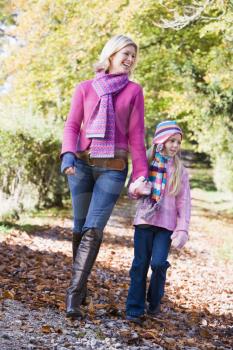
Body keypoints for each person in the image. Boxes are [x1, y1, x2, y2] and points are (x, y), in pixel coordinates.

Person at [61, 35, 149, 318]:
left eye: (134, 56)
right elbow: (73, 126)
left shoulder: (134, 91)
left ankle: (73, 295)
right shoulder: (85, 88)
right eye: (126, 53)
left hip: (113, 168)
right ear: (111, 54)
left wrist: (141, 173)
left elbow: (137, 135)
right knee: (79, 228)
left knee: (94, 228)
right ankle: (81, 284)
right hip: (82, 166)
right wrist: (68, 155)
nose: (130, 59)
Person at [125, 120, 191, 325]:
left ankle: (154, 300)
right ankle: (134, 309)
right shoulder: (144, 164)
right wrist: (137, 189)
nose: (175, 146)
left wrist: (182, 228)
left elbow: (184, 202)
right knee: (140, 264)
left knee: (158, 263)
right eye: (171, 140)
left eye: (178, 142)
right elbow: (131, 190)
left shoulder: (180, 171)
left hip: (166, 226)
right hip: (145, 220)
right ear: (160, 140)